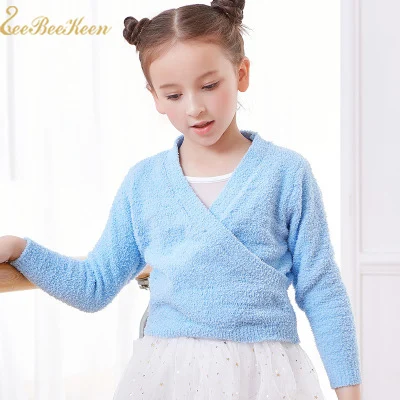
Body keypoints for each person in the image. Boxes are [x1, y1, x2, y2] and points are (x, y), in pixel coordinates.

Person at [0, 1, 362, 399]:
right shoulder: (144, 184)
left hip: (266, 379)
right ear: (155, 97)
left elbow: (321, 288)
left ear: (241, 74)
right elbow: (94, 285)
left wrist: (349, 392)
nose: (194, 107)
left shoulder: (287, 174)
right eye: (173, 94)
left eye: (209, 86)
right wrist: (20, 249)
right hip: (167, 378)